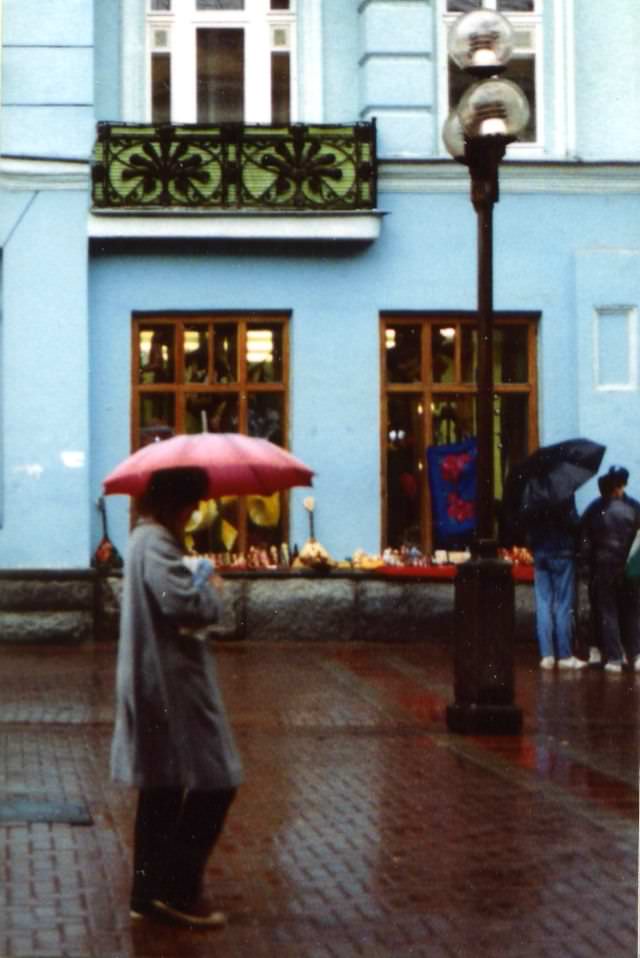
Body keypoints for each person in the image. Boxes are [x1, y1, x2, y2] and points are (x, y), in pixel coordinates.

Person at [111, 466, 243, 928]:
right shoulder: (156, 544)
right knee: (216, 780)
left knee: (161, 789)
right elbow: (180, 604)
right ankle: (178, 888)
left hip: (154, 683)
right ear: (175, 503)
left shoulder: (144, 541)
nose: (193, 515)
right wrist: (207, 588)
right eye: (191, 505)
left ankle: (147, 894)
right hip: (170, 685)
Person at [579, 465, 640, 673]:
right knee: (632, 612)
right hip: (629, 568)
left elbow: (586, 539)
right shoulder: (634, 507)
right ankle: (637, 655)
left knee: (608, 612)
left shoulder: (596, 508)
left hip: (604, 567)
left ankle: (615, 657)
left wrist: (587, 564)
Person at [527, 496, 586, 670]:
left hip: (541, 553)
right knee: (563, 603)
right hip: (562, 552)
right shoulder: (565, 494)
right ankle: (564, 654)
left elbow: (527, 523)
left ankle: (547, 655)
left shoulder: (535, 494)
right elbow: (575, 524)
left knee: (543, 602)